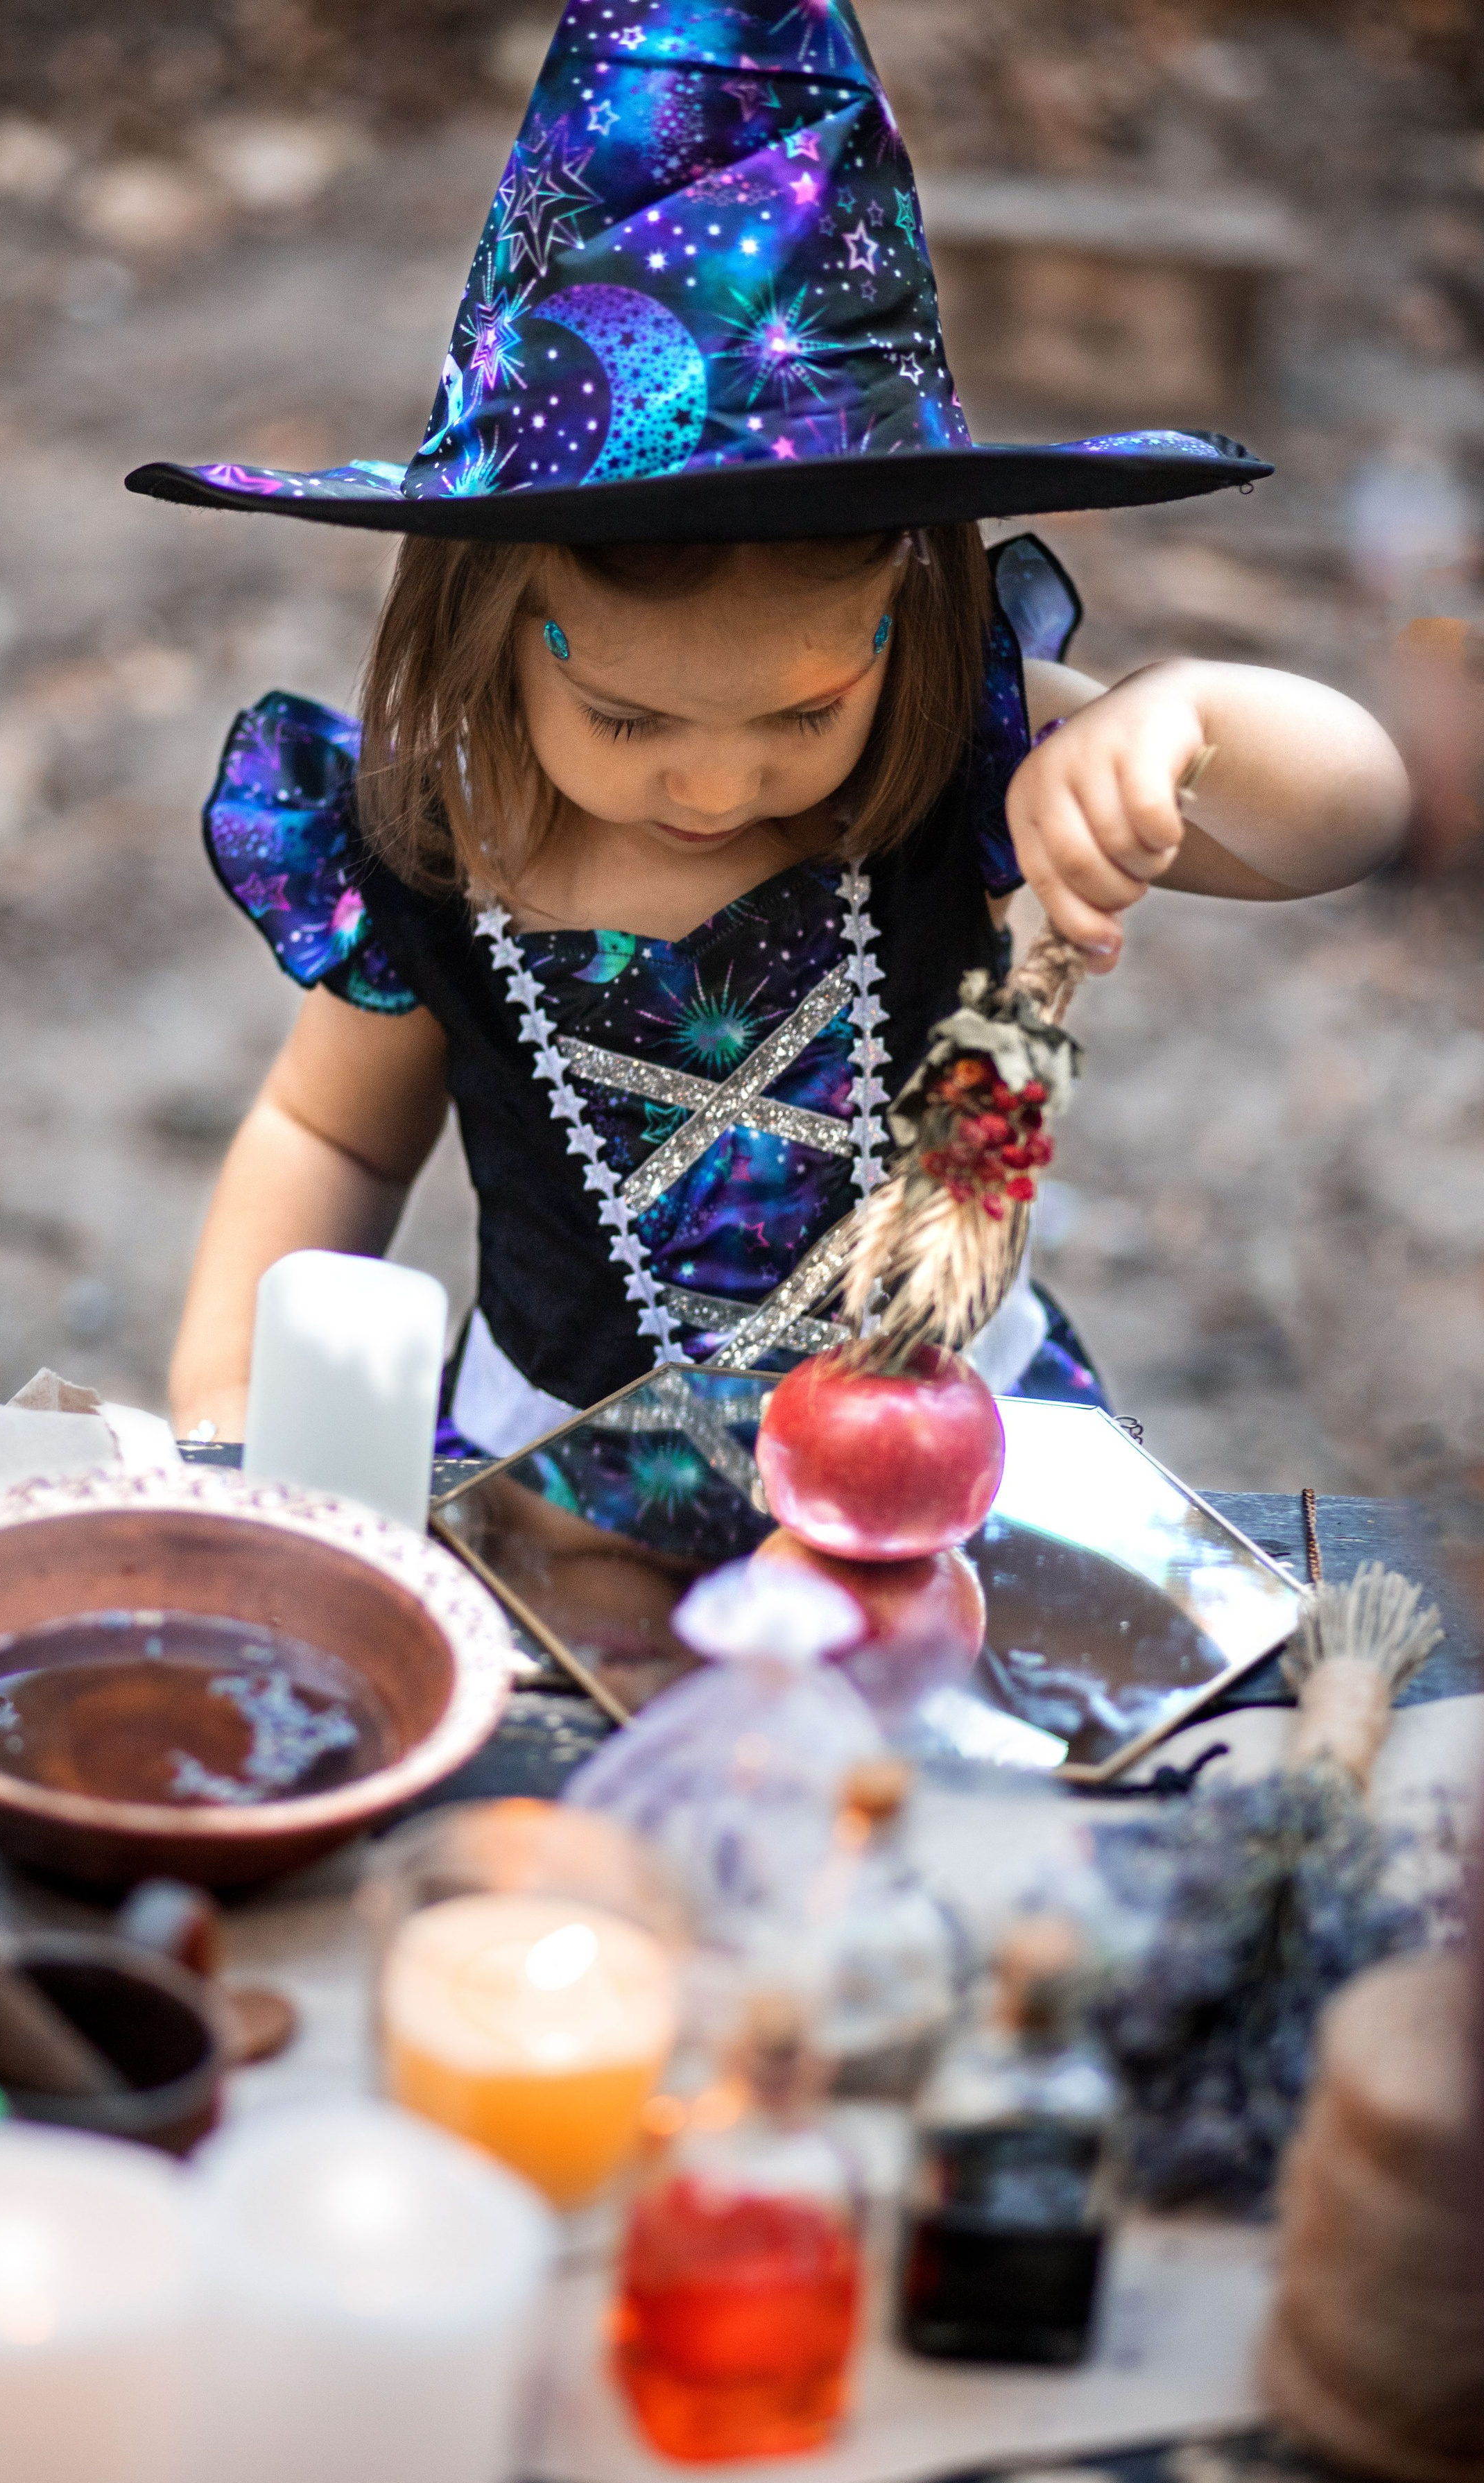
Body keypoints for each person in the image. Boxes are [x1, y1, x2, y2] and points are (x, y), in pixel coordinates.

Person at [130, 0, 1408, 1458]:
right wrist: (225, 1418)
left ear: (903, 611)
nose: (719, 777)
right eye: (625, 715)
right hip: (556, 1482)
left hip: (940, 1461)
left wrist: (1186, 720)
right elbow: (331, 1138)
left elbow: (1352, 820)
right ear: (488, 625)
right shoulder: (432, 843)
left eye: (804, 709)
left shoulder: (965, 753)